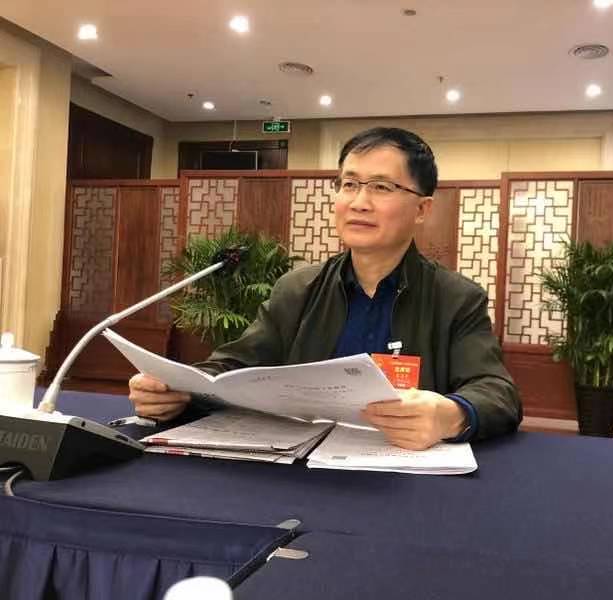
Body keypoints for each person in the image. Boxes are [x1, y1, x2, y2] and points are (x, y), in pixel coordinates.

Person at [129, 127, 521, 449]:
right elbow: (233, 367)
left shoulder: (455, 298)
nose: (359, 202)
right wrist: (176, 391)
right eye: (349, 184)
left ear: (422, 209)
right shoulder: (297, 289)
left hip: (404, 475)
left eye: (381, 187)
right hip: (300, 473)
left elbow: (496, 391)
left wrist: (452, 415)